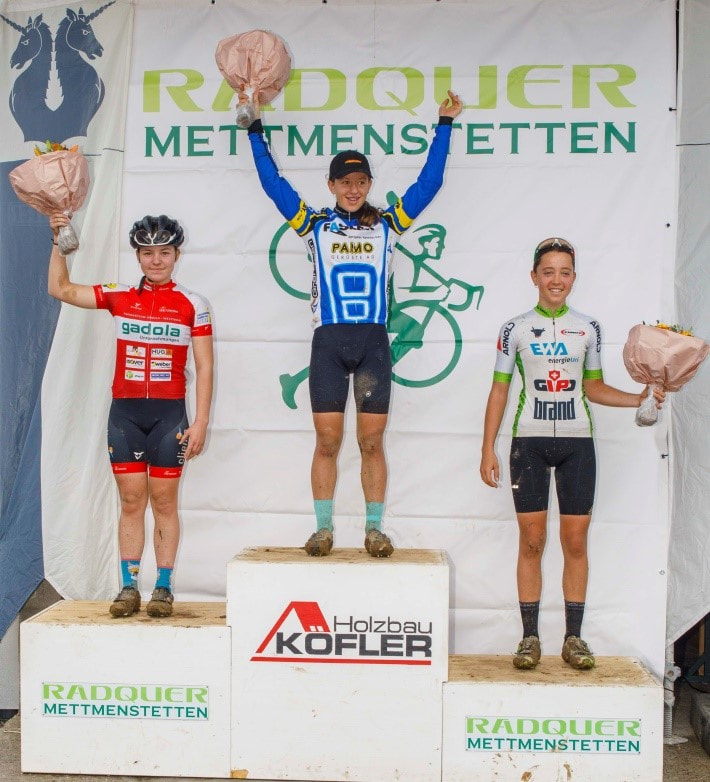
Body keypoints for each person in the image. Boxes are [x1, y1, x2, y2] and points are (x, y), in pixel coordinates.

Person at [242, 89, 462, 558]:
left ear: (368, 183)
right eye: (345, 182)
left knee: (371, 441)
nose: (354, 189)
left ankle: (374, 530)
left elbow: (430, 183)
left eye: (361, 181)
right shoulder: (314, 225)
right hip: (329, 342)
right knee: (327, 440)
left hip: (372, 344)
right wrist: (255, 129)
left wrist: (444, 125)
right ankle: (323, 529)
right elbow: (273, 184)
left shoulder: (388, 224)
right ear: (331, 185)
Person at [479, 237, 664, 670]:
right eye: (548, 272)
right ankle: (529, 638)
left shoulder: (588, 328)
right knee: (532, 541)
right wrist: (488, 447)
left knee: (575, 542)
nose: (556, 280)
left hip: (578, 444)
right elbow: (500, 390)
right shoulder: (514, 328)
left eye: (564, 272)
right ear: (534, 277)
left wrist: (639, 399)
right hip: (529, 444)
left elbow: (593, 388)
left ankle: (573, 639)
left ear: (574, 278)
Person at [47, 213, 214, 618]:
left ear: (176, 255)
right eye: (148, 253)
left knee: (165, 502)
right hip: (125, 416)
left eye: (164, 253)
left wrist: (201, 422)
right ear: (137, 256)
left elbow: (205, 366)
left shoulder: (194, 304)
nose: (156, 261)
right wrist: (57, 242)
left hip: (170, 417)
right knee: (132, 501)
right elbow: (60, 288)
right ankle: (128, 587)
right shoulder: (119, 295)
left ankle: (163, 588)